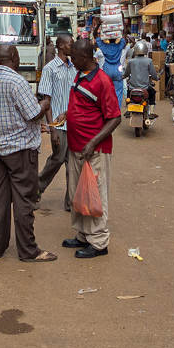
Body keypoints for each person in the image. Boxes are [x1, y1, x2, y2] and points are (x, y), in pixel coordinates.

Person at [0, 45, 55, 263]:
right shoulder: (17, 81)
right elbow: (33, 114)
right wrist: (44, 104)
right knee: (24, 200)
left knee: (0, 198)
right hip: (20, 149)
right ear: (14, 57)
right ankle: (28, 250)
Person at [62, 39, 121, 259]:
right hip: (77, 147)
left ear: (85, 57)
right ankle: (83, 235)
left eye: (74, 57)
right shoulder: (80, 75)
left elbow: (115, 118)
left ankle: (98, 242)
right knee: (79, 193)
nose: (71, 60)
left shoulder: (102, 81)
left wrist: (93, 142)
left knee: (95, 195)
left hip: (94, 150)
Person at [38, 34, 76, 206]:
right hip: (58, 124)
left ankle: (70, 200)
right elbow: (47, 101)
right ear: (60, 46)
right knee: (58, 158)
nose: (72, 46)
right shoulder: (50, 68)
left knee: (72, 163)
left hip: (74, 121)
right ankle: (36, 189)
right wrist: (52, 128)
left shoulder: (74, 67)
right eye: (69, 44)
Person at [125, 40, 159, 118]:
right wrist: (156, 78)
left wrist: (123, 76)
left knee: (128, 93)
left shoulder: (131, 61)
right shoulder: (149, 61)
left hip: (133, 88)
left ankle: (128, 108)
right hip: (145, 88)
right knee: (152, 93)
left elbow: (126, 73)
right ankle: (152, 112)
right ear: (145, 50)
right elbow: (153, 74)